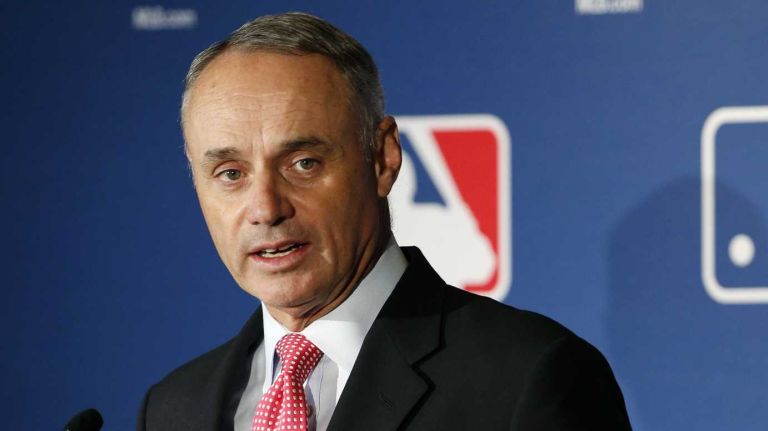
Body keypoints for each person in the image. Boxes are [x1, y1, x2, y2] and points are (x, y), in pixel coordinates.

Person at [136, 12, 631, 431]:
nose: (266, 209)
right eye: (230, 173)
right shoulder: (172, 409)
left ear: (382, 157)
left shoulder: (530, 379)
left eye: (303, 163)